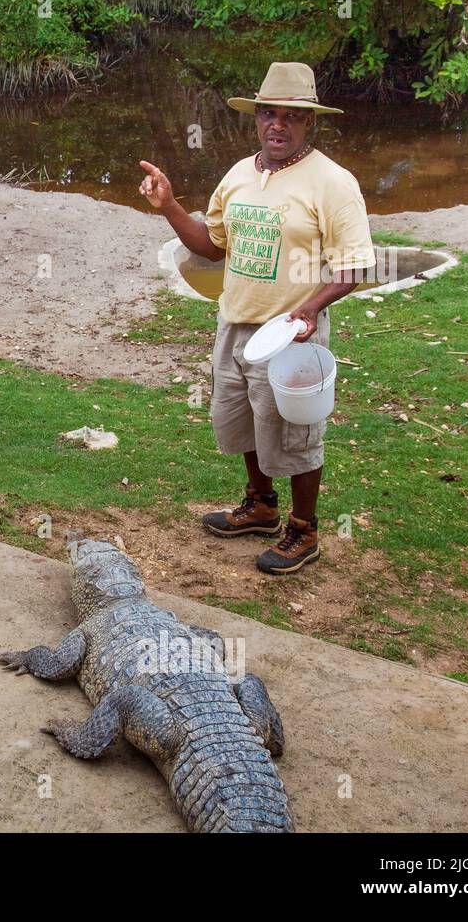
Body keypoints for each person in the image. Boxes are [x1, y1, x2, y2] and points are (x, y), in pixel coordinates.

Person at [139, 61, 375, 575]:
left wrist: (309, 309)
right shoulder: (240, 174)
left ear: (308, 122)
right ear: (256, 118)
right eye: (269, 113)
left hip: (291, 334)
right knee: (243, 422)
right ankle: (262, 507)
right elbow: (212, 246)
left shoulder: (333, 183)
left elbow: (356, 266)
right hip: (237, 324)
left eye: (291, 117)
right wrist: (171, 206)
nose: (278, 125)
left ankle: (304, 531)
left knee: (295, 434)